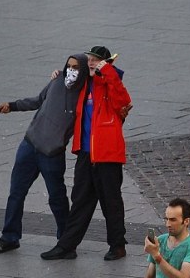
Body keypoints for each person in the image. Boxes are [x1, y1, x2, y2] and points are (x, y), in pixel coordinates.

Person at [0, 54, 89, 255]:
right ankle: (9, 238)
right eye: (68, 66)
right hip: (29, 146)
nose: (71, 70)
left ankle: (66, 244)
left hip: (52, 154)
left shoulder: (85, 94)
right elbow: (37, 100)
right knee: (16, 192)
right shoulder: (57, 81)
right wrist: (12, 106)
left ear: (83, 70)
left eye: (76, 67)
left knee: (57, 198)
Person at [41, 45, 132, 261]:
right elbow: (67, 83)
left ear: (106, 62)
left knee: (111, 201)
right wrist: (58, 76)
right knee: (80, 200)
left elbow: (123, 101)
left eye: (96, 60)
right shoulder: (84, 83)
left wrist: (107, 71)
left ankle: (117, 246)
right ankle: (66, 246)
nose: (91, 63)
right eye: (89, 59)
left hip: (107, 154)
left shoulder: (110, 82)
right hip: (85, 152)